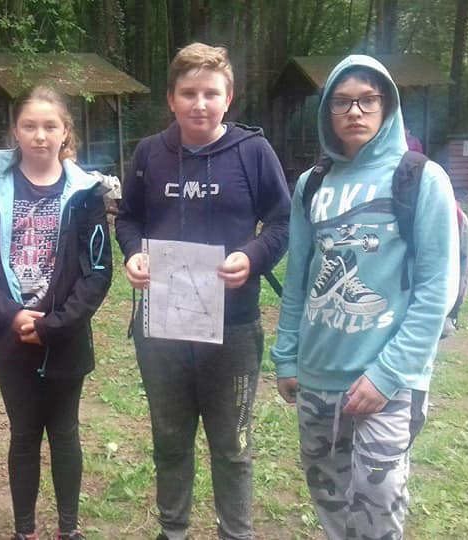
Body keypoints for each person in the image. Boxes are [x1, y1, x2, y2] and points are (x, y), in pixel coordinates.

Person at [270, 55, 459, 540]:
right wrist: (287, 356)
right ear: (327, 112)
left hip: (388, 381)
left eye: (368, 100)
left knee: (378, 502)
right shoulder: (312, 185)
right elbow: (299, 279)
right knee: (329, 496)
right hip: (316, 373)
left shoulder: (421, 179)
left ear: (388, 106)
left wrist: (387, 374)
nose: (355, 111)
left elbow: (436, 290)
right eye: (342, 101)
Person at [115, 43, 290, 540]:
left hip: (233, 328)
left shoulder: (253, 152)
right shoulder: (150, 154)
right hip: (163, 329)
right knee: (170, 440)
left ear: (228, 98)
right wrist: (134, 254)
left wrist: (252, 257)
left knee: (232, 446)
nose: (199, 104)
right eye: (188, 93)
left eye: (210, 93)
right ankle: (173, 530)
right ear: (171, 99)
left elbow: (282, 221)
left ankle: (236, 533)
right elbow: (128, 219)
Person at [0, 86, 113, 540]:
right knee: (24, 433)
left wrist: (55, 325)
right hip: (10, 334)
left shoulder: (86, 193)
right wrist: (11, 315)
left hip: (65, 335)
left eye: (50, 126)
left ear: (66, 132)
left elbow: (98, 272)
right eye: (30, 125)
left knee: (65, 433)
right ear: (15, 130)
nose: (40, 135)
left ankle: (69, 531)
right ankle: (24, 531)